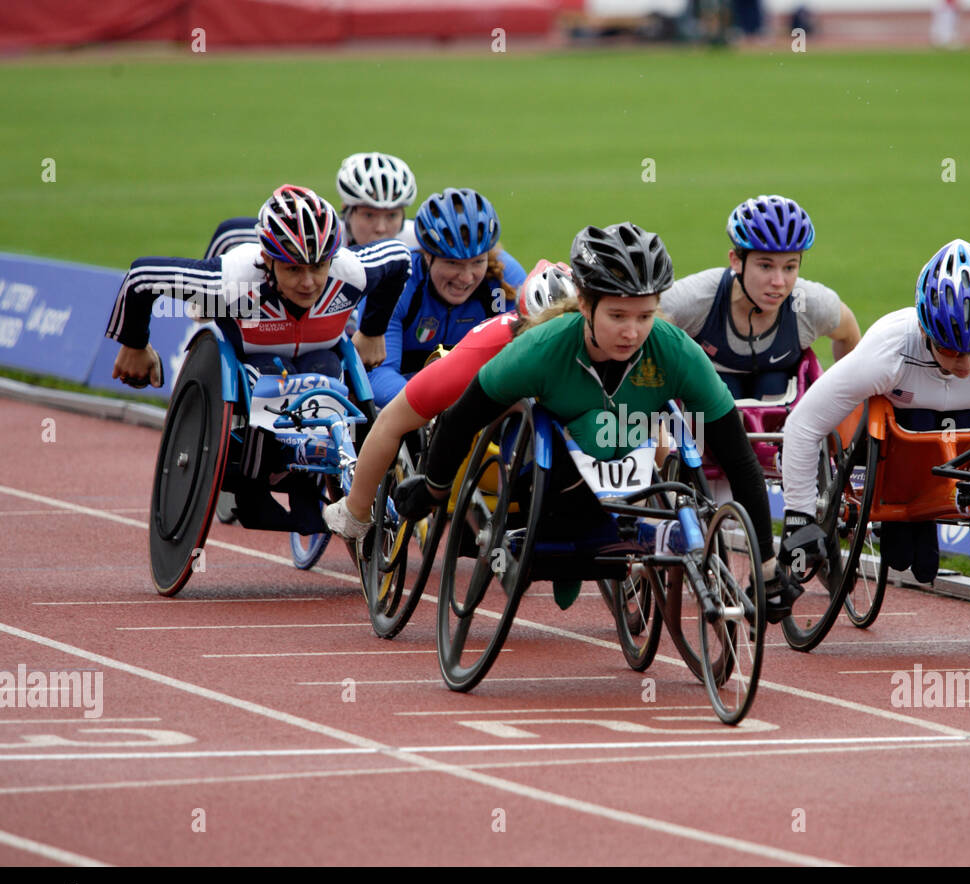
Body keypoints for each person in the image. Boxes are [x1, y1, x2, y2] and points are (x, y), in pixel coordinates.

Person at [406, 222, 801, 618]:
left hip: (630, 469)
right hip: (548, 481)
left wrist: (766, 568)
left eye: (645, 316)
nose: (632, 332)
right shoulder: (541, 348)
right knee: (589, 425)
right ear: (585, 305)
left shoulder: (676, 352)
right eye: (617, 315)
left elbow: (739, 460)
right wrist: (435, 489)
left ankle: (643, 531)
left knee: (656, 431)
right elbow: (460, 419)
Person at [778, 238, 970, 585]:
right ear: (923, 329)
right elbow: (803, 425)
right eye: (950, 350)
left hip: (967, 450)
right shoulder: (887, 351)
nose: (965, 364)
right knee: (904, 555)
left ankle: (926, 509)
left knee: (917, 561)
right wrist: (798, 514)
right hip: (895, 458)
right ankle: (906, 513)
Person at [322, 260, 579, 539]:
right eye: (545, 338)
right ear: (523, 329)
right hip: (481, 378)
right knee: (395, 419)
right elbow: (390, 421)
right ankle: (354, 511)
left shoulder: (613, 338)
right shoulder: (488, 347)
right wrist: (358, 509)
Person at [107, 183, 410, 386]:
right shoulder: (232, 281)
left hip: (322, 359)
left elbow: (398, 257)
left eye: (318, 267)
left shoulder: (351, 272)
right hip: (254, 359)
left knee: (327, 375)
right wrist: (134, 345)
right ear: (268, 260)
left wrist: (372, 331)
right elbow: (142, 276)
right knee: (273, 376)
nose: (307, 283)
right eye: (293, 269)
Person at [659, 194, 861, 401]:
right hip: (713, 394)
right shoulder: (698, 297)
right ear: (736, 261)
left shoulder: (810, 303)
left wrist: (844, 399)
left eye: (790, 267)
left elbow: (849, 333)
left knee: (773, 384)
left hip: (779, 394)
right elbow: (644, 321)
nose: (779, 282)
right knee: (722, 388)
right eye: (765, 266)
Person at [366, 187, 528, 409]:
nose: (466, 277)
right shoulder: (396, 285)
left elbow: (522, 367)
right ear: (427, 255)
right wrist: (436, 410)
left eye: (478, 262)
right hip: (411, 401)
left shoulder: (506, 279)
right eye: (453, 263)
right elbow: (378, 374)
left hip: (474, 398)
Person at [203, 152, 421, 259]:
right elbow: (231, 234)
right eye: (369, 215)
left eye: (392, 216)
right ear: (346, 209)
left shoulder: (418, 241)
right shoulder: (316, 238)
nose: (381, 228)